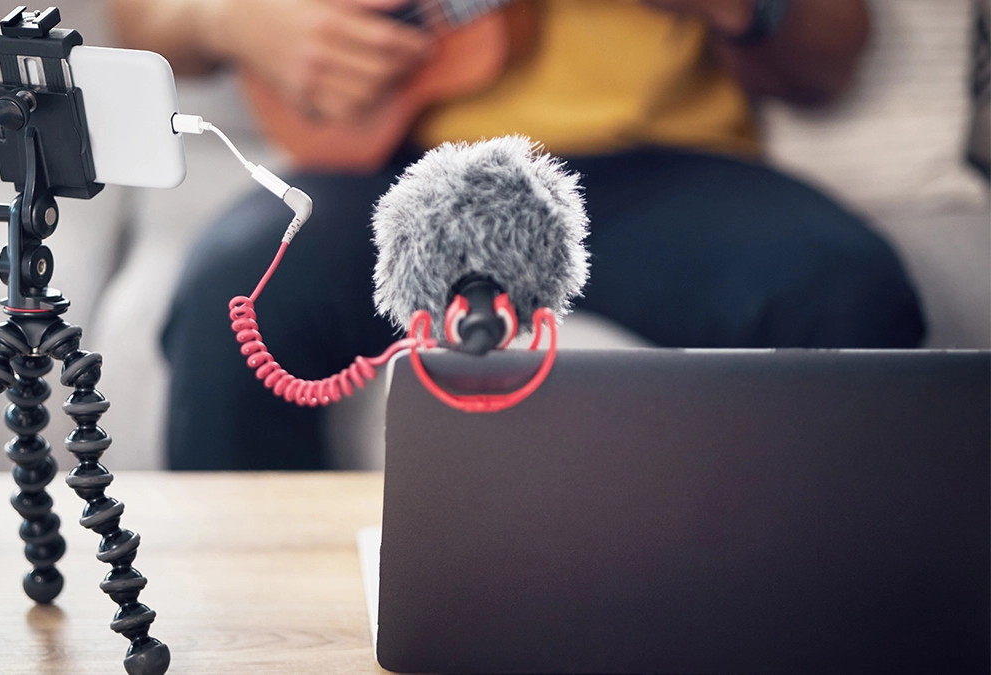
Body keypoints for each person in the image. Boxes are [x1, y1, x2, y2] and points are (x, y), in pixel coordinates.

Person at [112, 0, 927, 470]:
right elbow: (140, 18)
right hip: (395, 169)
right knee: (235, 294)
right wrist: (238, 20)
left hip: (662, 171)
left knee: (849, 293)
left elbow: (830, 59)